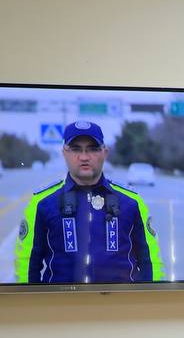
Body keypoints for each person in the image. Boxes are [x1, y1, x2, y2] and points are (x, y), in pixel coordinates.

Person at [13, 121, 165, 284]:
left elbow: (150, 262)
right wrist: (32, 300)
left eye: (92, 149)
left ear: (104, 152)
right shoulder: (42, 203)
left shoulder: (132, 202)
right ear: (64, 153)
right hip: (62, 299)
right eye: (76, 149)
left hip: (119, 299)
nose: (84, 157)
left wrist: (148, 298)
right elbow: (27, 264)